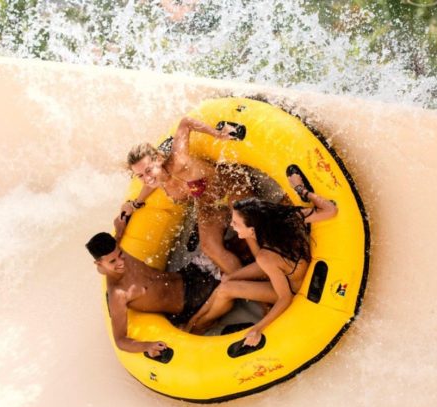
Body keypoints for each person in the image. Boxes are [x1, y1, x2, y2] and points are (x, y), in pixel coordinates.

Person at [185, 174, 338, 346]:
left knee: (225, 289)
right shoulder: (284, 218)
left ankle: (197, 325)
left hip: (292, 287)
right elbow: (331, 210)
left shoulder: (266, 257)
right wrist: (301, 190)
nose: (232, 227)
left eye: (236, 223)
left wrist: (258, 327)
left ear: (252, 229)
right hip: (284, 268)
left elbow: (285, 298)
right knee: (227, 280)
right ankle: (195, 321)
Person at [118, 116, 254, 274]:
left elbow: (186, 123)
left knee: (247, 224)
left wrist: (217, 134)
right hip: (209, 205)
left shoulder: (178, 161)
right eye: (140, 175)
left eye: (148, 170)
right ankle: (245, 282)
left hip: (229, 187)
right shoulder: (157, 181)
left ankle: (266, 268)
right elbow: (149, 186)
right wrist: (134, 204)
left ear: (159, 159)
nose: (146, 178)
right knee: (209, 247)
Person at [86, 231, 219, 357]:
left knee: (226, 246)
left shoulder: (115, 250)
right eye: (113, 262)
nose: (121, 262)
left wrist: (127, 211)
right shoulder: (118, 293)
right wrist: (147, 346)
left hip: (187, 273)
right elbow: (120, 341)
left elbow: (119, 231)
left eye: (120, 255)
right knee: (229, 272)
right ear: (99, 263)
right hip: (190, 300)